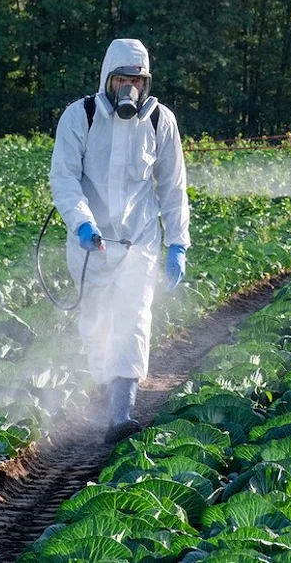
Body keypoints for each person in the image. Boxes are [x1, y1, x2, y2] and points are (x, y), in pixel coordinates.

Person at [49, 38, 190, 443]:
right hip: (91, 243)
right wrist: (81, 224)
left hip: (139, 243)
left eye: (137, 82)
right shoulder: (81, 117)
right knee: (95, 325)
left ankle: (120, 412)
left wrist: (178, 243)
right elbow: (64, 178)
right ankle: (103, 387)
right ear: (108, 79)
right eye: (121, 81)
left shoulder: (160, 122)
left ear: (145, 84)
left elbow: (173, 186)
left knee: (133, 320)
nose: (129, 91)